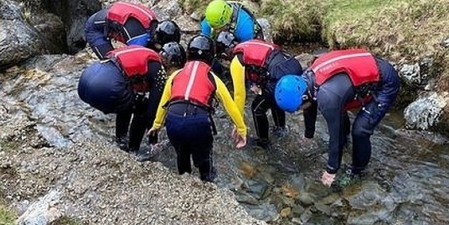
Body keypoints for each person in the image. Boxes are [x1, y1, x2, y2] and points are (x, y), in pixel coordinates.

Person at [274, 48, 400, 188]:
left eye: (298, 108)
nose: (299, 110)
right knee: (337, 111)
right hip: (365, 71)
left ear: (304, 97)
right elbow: (309, 105)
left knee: (360, 131)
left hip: (385, 83)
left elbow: (335, 135)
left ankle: (357, 172)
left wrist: (331, 169)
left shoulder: (327, 96)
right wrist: (308, 135)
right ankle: (347, 144)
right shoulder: (306, 79)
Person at [148, 34, 247, 182]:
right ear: (211, 56)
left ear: (188, 54)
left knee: (182, 157)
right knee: (204, 161)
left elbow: (164, 104)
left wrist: (156, 126)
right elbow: (230, 106)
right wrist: (241, 129)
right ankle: (207, 181)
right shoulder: (213, 78)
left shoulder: (175, 75)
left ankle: (184, 179)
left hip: (173, 119)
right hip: (198, 122)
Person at [77, 45, 167, 154]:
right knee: (142, 108)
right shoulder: (160, 71)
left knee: (128, 103)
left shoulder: (145, 52)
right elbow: (152, 112)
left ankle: (121, 140)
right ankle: (133, 151)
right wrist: (153, 140)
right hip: (106, 85)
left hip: (88, 76)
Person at [221, 37, 303, 148]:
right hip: (291, 66)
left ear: (225, 56)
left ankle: (263, 142)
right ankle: (280, 130)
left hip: (278, 77)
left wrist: (238, 124)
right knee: (274, 100)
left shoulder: (237, 60)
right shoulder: (249, 44)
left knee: (257, 108)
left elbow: (239, 95)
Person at [84, 1, 181, 59]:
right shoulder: (138, 38)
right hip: (95, 29)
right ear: (159, 41)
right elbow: (132, 59)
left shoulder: (153, 25)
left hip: (107, 18)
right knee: (110, 63)